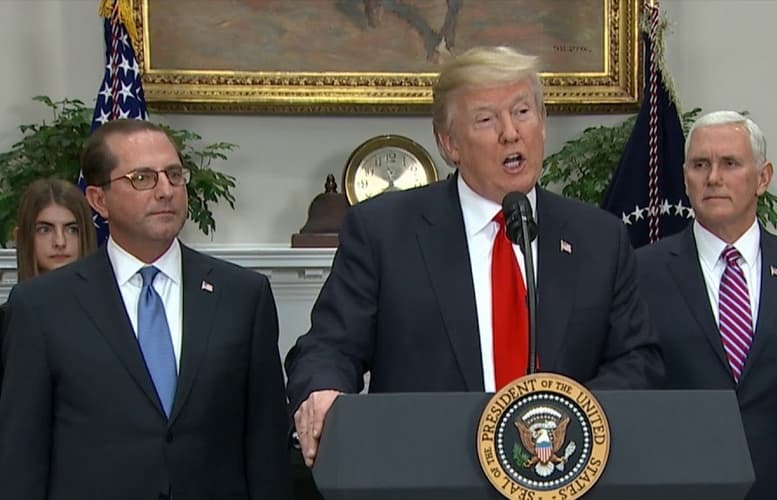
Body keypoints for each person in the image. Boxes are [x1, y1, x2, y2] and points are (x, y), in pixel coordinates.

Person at [285, 46, 664, 467]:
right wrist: (321, 391)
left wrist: (572, 417)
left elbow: (637, 358)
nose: (510, 133)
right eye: (486, 119)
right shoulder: (385, 232)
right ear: (450, 144)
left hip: (559, 471)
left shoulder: (599, 237)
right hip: (427, 471)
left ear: (542, 124)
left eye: (523, 112)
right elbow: (328, 348)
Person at [0, 119, 293, 499]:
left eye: (174, 175)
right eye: (142, 178)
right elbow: (22, 457)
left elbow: (266, 448)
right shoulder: (43, 307)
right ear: (98, 200)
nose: (165, 191)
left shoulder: (242, 296)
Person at [636, 110, 777, 500]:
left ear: (763, 178)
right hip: (682, 490)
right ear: (685, 177)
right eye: (700, 165)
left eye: (730, 163)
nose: (713, 178)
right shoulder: (641, 274)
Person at [0, 178, 97, 390]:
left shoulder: (111, 315)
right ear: (22, 237)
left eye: (72, 229)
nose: (60, 242)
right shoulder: (7, 322)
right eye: (45, 230)